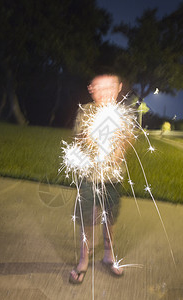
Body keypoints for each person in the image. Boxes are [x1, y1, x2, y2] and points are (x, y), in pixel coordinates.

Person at [69, 72, 125, 284]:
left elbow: (124, 142)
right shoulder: (86, 111)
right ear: (91, 89)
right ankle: (84, 257)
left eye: (109, 86)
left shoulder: (122, 113)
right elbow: (81, 140)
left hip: (113, 178)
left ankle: (109, 255)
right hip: (89, 178)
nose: (104, 92)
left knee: (109, 217)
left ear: (119, 87)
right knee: (88, 217)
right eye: (98, 87)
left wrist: (116, 151)